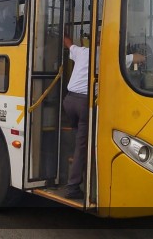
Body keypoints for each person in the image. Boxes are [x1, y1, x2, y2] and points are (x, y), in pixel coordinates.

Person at [62, 34, 144, 199]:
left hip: (69, 101)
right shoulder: (111, 56)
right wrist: (144, 54)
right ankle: (72, 187)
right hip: (85, 103)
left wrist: (64, 33)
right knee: (83, 145)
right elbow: (138, 58)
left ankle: (70, 165)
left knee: (78, 137)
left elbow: (68, 43)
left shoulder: (83, 51)